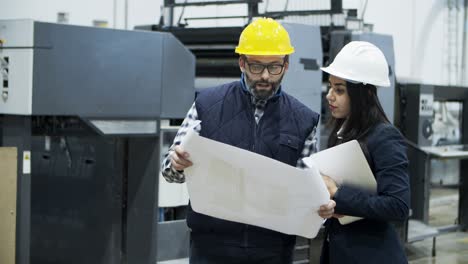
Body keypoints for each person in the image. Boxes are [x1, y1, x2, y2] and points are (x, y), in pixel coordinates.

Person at [161, 17, 336, 264]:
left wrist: (321, 208)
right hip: (212, 248)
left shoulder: (303, 120)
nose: (265, 76)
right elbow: (169, 172)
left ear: (286, 65)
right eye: (256, 66)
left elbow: (306, 189)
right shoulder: (207, 105)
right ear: (241, 62)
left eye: (274, 67)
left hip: (272, 251)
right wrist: (177, 164)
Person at [319, 41, 410, 263]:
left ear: (364, 94)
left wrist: (337, 195)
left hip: (371, 254)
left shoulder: (385, 136)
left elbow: (397, 206)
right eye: (330, 87)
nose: (330, 95)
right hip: (340, 251)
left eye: (339, 90)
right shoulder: (341, 131)